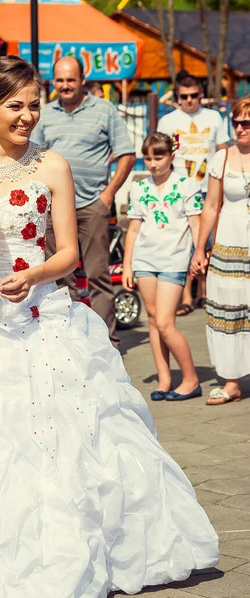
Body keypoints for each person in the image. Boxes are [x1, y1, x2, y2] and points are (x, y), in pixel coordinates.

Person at [0, 55, 218, 598]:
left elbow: (69, 254)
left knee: (61, 440)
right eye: (15, 106)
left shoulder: (52, 166)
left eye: (34, 105)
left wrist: (32, 275)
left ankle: (63, 547)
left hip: (43, 315)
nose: (28, 116)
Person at [32, 56, 136, 348]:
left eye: (70, 80)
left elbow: (126, 153)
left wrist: (107, 195)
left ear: (82, 79)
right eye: (60, 80)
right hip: (54, 208)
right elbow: (35, 158)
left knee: (97, 276)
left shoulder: (104, 110)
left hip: (92, 204)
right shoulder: (46, 114)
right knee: (60, 276)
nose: (65, 86)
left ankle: (106, 343)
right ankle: (71, 341)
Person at [123, 132, 202, 401]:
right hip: (145, 260)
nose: (153, 163)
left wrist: (198, 253)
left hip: (174, 258)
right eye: (148, 158)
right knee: (154, 320)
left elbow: (195, 223)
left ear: (171, 156)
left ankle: (191, 379)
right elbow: (133, 229)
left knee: (167, 323)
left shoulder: (187, 184)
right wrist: (127, 265)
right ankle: (164, 378)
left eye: (159, 157)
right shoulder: (139, 187)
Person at [191, 97, 250, 405]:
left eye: (246, 123)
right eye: (236, 123)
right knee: (229, 308)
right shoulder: (222, 158)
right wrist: (200, 248)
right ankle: (232, 381)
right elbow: (211, 206)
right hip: (229, 243)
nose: (240, 128)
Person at [158, 74, 229, 315]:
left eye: (194, 96)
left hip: (210, 189)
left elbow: (223, 152)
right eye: (183, 97)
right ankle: (186, 297)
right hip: (180, 190)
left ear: (201, 94)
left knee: (209, 243)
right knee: (183, 244)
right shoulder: (167, 121)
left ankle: (205, 293)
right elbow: (162, 153)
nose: (189, 101)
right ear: (177, 97)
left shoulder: (214, 118)